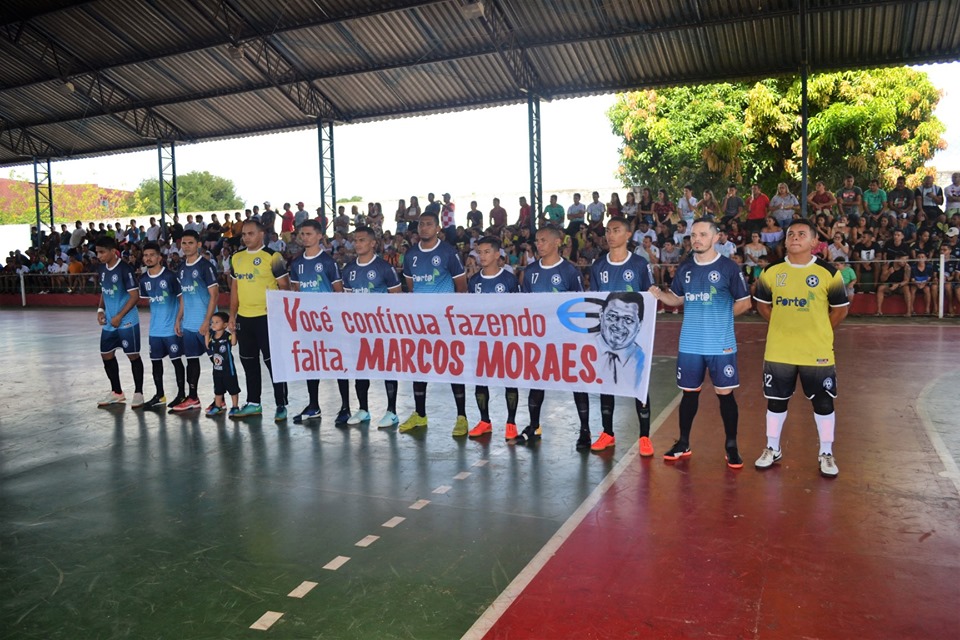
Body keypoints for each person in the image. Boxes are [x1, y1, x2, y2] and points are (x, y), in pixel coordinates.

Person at [649, 220, 751, 467]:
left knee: (725, 395)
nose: (697, 239)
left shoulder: (728, 268)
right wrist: (660, 295)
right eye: (693, 234)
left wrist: (721, 318)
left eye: (703, 234)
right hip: (690, 345)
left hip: (721, 345)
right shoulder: (685, 269)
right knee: (689, 395)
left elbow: (745, 302)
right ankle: (683, 443)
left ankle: (731, 446)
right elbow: (676, 298)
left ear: (716, 238)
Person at [753, 218, 849, 478]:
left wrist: (821, 330)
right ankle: (772, 448)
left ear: (814, 242)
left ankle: (826, 452)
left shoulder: (829, 273)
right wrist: (783, 325)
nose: (795, 237)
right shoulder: (771, 272)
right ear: (785, 240)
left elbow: (840, 309)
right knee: (776, 401)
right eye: (791, 234)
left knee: (823, 403)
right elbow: (762, 305)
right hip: (779, 350)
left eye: (802, 234)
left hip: (816, 351)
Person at [519, 225, 592, 447]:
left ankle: (585, 430)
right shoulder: (530, 272)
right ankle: (534, 425)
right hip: (540, 338)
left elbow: (579, 306)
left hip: (566, 338)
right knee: (536, 382)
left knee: (576, 382)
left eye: (542, 240)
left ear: (557, 242)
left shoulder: (569, 272)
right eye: (536, 241)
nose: (538, 245)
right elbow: (524, 305)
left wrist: (579, 338)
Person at [588, 217, 655, 453]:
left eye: (616, 230)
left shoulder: (639, 264)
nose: (610, 235)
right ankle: (607, 433)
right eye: (607, 230)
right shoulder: (598, 266)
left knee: (639, 383)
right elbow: (595, 302)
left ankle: (645, 436)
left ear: (628, 235)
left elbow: (650, 296)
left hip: (635, 337)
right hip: (607, 336)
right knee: (606, 383)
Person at [399, 212, 469, 435]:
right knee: (419, 366)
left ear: (438, 228)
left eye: (429, 224)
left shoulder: (448, 252)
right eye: (421, 224)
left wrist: (451, 314)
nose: (424, 228)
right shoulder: (410, 255)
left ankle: (461, 417)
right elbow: (411, 287)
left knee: (452, 367)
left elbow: (462, 286)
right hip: (420, 322)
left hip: (445, 321)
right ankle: (420, 414)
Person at [288, 219, 350, 425]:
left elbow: (339, 292)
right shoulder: (296, 263)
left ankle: (345, 407)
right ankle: (313, 405)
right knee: (311, 363)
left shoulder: (328, 262)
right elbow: (295, 293)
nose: (304, 237)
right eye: (301, 234)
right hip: (308, 323)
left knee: (338, 363)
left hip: (328, 322)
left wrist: (336, 319)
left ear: (319, 236)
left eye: (308, 234)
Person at [341, 226, 403, 428]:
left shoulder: (384, 268)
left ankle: (392, 411)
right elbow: (347, 300)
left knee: (387, 368)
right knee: (361, 367)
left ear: (373, 243)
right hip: (359, 329)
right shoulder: (349, 269)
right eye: (355, 240)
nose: (357, 244)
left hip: (383, 328)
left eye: (362, 240)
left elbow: (396, 298)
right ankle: (363, 409)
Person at [228, 219, 290, 420]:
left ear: (261, 234)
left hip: (267, 319)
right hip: (244, 319)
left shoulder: (274, 257)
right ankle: (254, 403)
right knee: (248, 362)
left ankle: (281, 404)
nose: (246, 237)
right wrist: (232, 316)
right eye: (244, 234)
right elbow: (235, 290)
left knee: (274, 363)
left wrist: (277, 308)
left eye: (251, 233)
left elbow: (285, 287)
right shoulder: (236, 258)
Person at [465, 236, 521, 440]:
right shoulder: (474, 281)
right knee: (481, 380)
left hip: (505, 340)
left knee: (509, 380)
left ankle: (511, 422)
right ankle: (484, 421)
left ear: (498, 255)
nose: (482, 256)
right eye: (479, 252)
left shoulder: (509, 279)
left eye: (487, 252)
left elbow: (519, 309)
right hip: (481, 340)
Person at [169, 230, 219, 412]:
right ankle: (193, 398)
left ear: (198, 245)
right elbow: (183, 298)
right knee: (192, 362)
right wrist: (178, 319)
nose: (186, 246)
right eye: (184, 243)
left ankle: (219, 400)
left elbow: (214, 296)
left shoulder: (206, 267)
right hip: (189, 325)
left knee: (218, 362)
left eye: (190, 243)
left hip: (206, 325)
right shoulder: (181, 270)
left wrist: (207, 322)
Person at [94, 236, 145, 408]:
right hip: (110, 321)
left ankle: (139, 393)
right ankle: (117, 392)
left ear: (112, 251)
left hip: (127, 321)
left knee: (133, 356)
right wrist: (101, 310)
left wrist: (119, 316)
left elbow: (134, 296)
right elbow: (105, 291)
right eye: (97, 252)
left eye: (102, 252)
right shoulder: (102, 269)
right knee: (106, 354)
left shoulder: (125, 269)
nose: (99, 256)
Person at [138, 242, 186, 410]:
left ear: (159, 257)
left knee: (176, 361)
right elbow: (149, 301)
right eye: (145, 255)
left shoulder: (170, 276)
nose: (148, 258)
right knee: (155, 362)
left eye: (151, 255)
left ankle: (181, 394)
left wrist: (178, 320)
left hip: (171, 329)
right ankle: (160, 395)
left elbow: (182, 299)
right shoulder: (143, 279)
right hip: (154, 330)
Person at [204, 311, 241, 416]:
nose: (213, 324)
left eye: (217, 322)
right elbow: (208, 346)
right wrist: (206, 334)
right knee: (218, 390)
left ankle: (235, 407)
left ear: (225, 325)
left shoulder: (227, 336)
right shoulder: (212, 336)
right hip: (217, 370)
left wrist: (233, 332)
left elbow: (233, 343)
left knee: (233, 389)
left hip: (228, 370)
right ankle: (218, 406)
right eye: (212, 322)